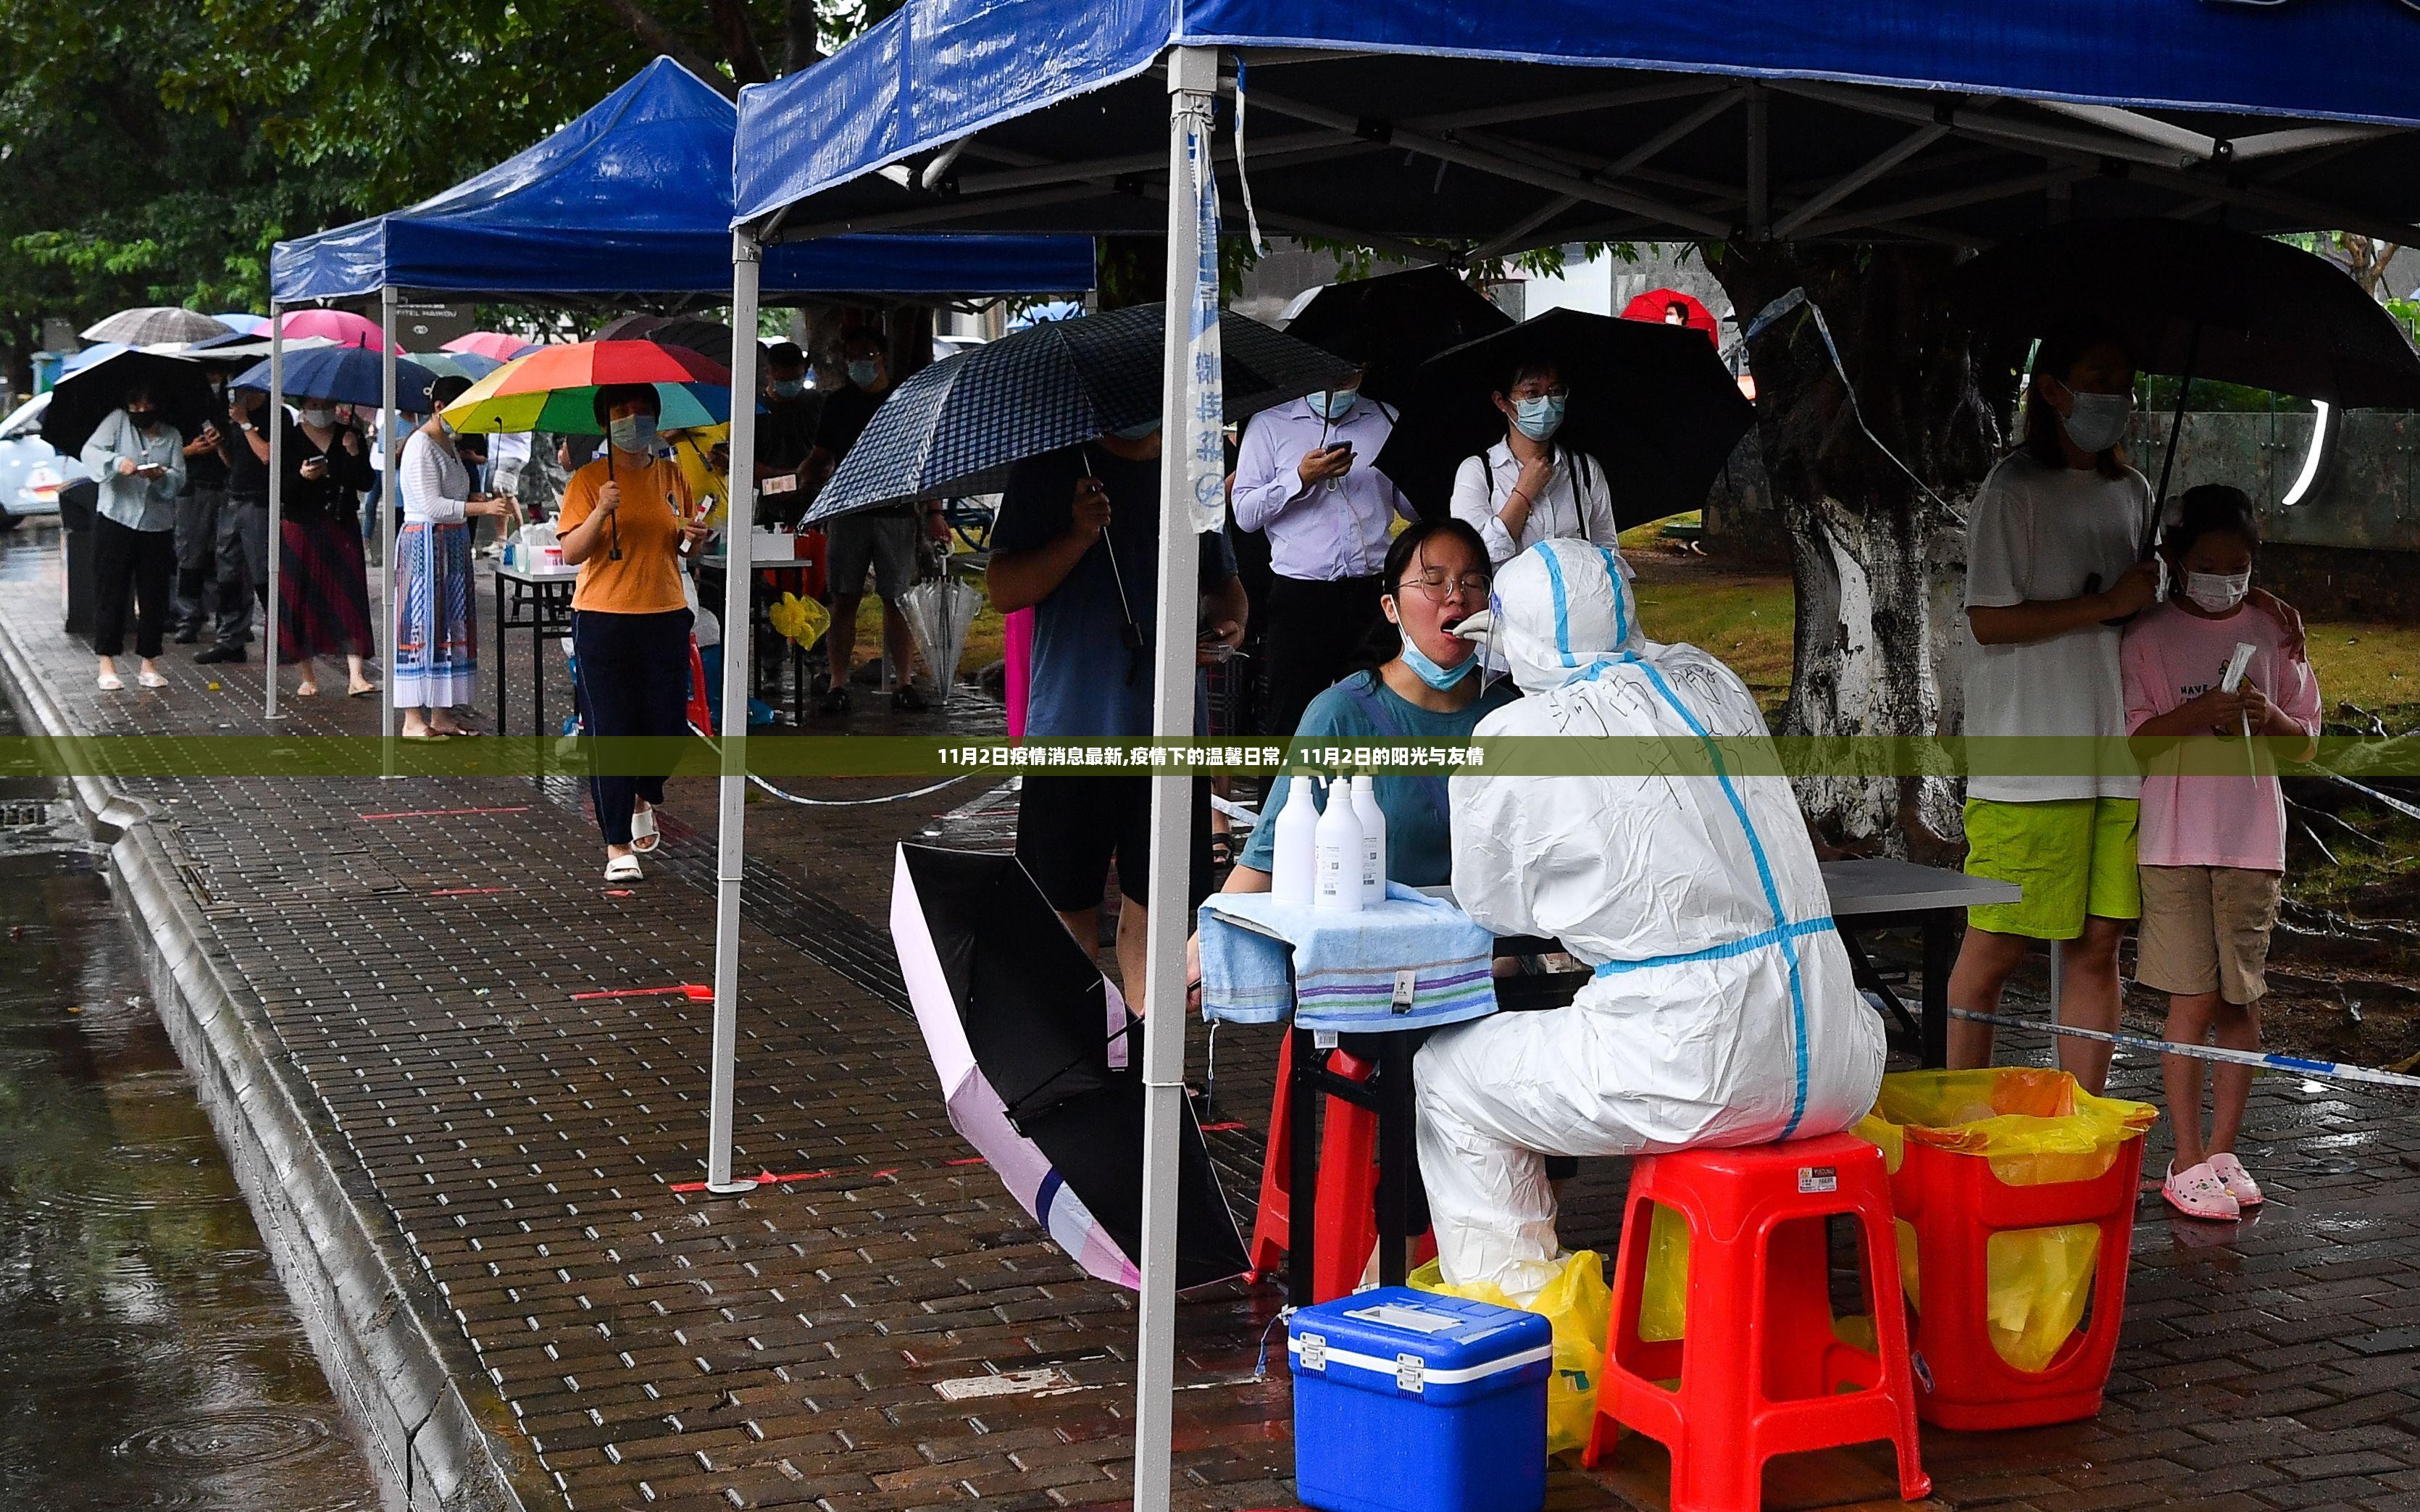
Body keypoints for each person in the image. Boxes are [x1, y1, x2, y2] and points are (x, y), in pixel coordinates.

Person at [1414, 539, 1883, 1292]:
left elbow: (1492, 904)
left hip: (1698, 1062)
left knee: (1448, 1072)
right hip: (1841, 1053)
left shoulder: (1516, 735)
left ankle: (1528, 1328)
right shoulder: (1714, 684)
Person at [988, 421, 1247, 1012]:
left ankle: (1149, 1079)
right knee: (1064, 908)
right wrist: (1078, 535)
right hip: (1073, 730)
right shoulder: (1051, 463)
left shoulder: (1192, 469)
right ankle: (1077, 1071)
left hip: (1170, 735)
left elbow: (1226, 586)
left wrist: (1228, 627)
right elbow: (1003, 588)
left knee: (1157, 910)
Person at [2122, 485, 2318, 1221]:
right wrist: (2191, 714)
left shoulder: (2274, 633)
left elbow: (2303, 739)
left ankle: (2225, 1151)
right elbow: (2137, 738)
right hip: (2173, 841)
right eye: (2206, 563)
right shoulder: (2146, 638)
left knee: (2240, 995)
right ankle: (2184, 1152)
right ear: (2173, 557)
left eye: (2238, 565)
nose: (2223, 577)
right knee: (2191, 996)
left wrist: (2264, 714)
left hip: (2249, 842)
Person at [1224, 519, 1511, 891]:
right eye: (1433, 581)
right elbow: (1268, 858)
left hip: (1490, 948)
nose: (1457, 596)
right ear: (1391, 608)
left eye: (1473, 583)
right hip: (1369, 944)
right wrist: (1207, 941)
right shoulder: (1340, 715)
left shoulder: (1509, 718)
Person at [555, 385, 710, 882]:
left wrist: (696, 541)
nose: (634, 420)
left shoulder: (672, 475)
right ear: (605, 420)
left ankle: (645, 793)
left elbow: (683, 550)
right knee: (613, 731)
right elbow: (573, 553)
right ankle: (616, 842)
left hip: (665, 612)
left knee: (666, 728)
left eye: (644, 412)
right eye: (623, 412)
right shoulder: (588, 480)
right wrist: (601, 511)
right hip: (603, 618)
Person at [1230, 356, 1422, 738]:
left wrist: (1419, 474)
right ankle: (1285, 798)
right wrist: (1300, 477)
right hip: (1302, 594)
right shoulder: (1271, 423)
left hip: (1372, 592)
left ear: (1364, 371)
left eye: (1347, 375)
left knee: (1377, 711)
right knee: (1292, 717)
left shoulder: (1385, 419)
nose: (1336, 385)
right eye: (1326, 373)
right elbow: (1245, 512)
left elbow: (1410, 507)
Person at [806, 330, 931, 714]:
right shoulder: (838, 403)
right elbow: (820, 457)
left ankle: (904, 681)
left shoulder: (904, 401)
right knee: (844, 598)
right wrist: (801, 490)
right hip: (848, 512)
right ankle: (838, 682)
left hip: (896, 511)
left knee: (898, 599)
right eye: (852, 357)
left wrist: (934, 513)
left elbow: (925, 460)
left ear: (883, 358)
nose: (858, 364)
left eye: (867, 355)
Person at [394, 375, 512, 738]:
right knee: (421, 623)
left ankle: (442, 714)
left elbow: (454, 494)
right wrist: (483, 508)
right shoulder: (421, 446)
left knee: (451, 625)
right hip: (427, 543)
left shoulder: (448, 446)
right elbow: (431, 505)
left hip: (453, 544)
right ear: (440, 408)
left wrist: (479, 501)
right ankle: (413, 718)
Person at [1448, 358, 1625, 569]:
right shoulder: (1478, 472)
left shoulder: (1585, 470)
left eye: (1555, 391)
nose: (1547, 402)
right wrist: (1523, 494)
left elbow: (1607, 552)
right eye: (1532, 393)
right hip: (1506, 601)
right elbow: (1472, 558)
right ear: (1501, 401)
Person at [79, 383, 185, 691]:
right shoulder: (116, 422)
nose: (140, 412)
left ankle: (149, 663)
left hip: (156, 525)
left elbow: (179, 479)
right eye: (135, 407)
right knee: (111, 591)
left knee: (154, 596)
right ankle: (107, 663)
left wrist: (161, 476)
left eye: (146, 407)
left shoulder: (173, 436)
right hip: (115, 518)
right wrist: (116, 463)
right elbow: (92, 451)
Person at [278, 398, 380, 698]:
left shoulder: (352, 434)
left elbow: (366, 480)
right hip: (301, 525)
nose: (320, 410)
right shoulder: (289, 438)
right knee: (301, 598)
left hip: (340, 523)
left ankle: (356, 675)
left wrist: (353, 452)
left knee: (349, 595)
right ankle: (308, 675)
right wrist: (302, 477)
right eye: (314, 404)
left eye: (326, 404)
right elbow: (279, 489)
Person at [171, 367, 250, 659]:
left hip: (228, 482)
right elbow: (167, 448)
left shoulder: (236, 392)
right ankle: (189, 616)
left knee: (228, 560)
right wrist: (191, 450)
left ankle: (229, 627)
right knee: (190, 553)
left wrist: (220, 445)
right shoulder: (182, 396)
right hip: (194, 483)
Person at [221, 383, 279, 652]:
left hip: (259, 499)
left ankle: (279, 634)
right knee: (229, 568)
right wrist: (220, 444)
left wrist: (245, 424)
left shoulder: (275, 415)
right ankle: (231, 636)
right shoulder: (234, 419)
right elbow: (233, 460)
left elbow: (267, 455)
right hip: (235, 494)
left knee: (262, 569)